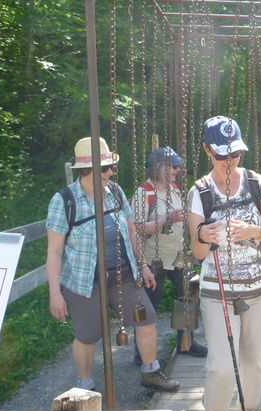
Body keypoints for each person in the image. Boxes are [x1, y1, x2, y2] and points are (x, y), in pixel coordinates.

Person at [46, 137, 179, 393]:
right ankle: (85, 386)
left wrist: (143, 265)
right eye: (106, 168)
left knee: (147, 319)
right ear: (88, 169)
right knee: (87, 334)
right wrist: (55, 294)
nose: (110, 172)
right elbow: (54, 252)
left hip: (123, 274)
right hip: (84, 282)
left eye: (111, 167)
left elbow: (131, 231)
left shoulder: (115, 192)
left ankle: (151, 372)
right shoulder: (65, 201)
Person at [188, 116, 261, 411]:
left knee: (255, 359)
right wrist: (203, 235)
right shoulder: (199, 192)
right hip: (218, 292)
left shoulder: (257, 183)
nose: (229, 161)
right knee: (222, 366)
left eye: (235, 154)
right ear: (207, 150)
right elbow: (198, 252)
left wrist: (254, 231)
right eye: (221, 155)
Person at [132, 147, 208, 364]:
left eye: (177, 166)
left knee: (190, 294)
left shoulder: (174, 189)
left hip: (178, 254)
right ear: (159, 167)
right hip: (153, 259)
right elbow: (136, 228)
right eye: (173, 166)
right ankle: (142, 354)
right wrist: (166, 220)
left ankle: (186, 343)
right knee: (149, 306)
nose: (177, 170)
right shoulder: (143, 193)